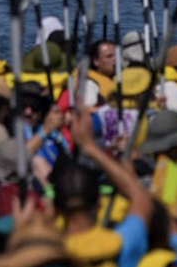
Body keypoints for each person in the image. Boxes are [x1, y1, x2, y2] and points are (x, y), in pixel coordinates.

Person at [54, 108, 152, 267]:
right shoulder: (121, 242)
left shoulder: (46, 250)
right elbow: (141, 198)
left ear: (55, 208)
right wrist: (90, 147)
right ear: (99, 202)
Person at [79, 41, 116, 107]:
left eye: (116, 55)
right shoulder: (90, 84)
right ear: (96, 61)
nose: (115, 59)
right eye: (109, 56)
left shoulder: (119, 77)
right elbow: (87, 110)